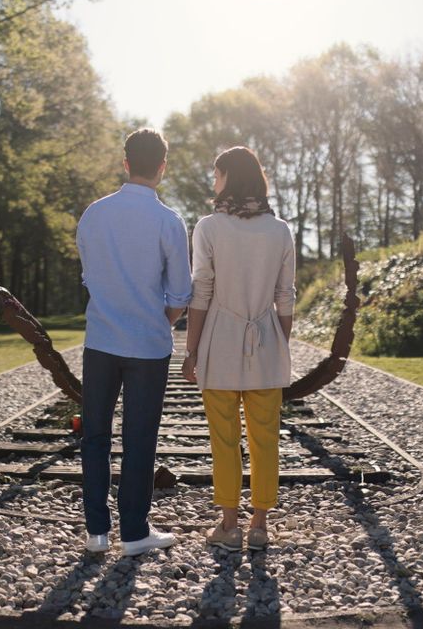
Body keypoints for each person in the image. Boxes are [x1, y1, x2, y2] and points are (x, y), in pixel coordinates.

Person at [76, 128, 192, 556]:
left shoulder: (94, 214)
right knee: (140, 438)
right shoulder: (168, 221)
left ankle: (96, 532)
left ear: (125, 163)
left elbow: (89, 276)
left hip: (101, 340)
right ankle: (135, 533)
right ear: (162, 167)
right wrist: (155, 320)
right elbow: (180, 293)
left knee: (96, 436)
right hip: (148, 346)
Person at [181, 146, 295, 552]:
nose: (214, 183)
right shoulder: (280, 230)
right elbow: (286, 296)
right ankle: (260, 525)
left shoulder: (208, 227)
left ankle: (228, 525)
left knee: (224, 439)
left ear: (228, 175)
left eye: (216, 175)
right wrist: (282, 343)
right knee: (266, 438)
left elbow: (201, 294)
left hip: (219, 344)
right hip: (266, 342)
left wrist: (191, 351)